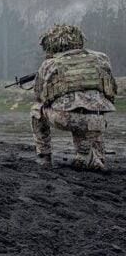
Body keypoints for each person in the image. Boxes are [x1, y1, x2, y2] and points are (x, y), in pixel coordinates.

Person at [31, 24, 117, 171]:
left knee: (36, 109)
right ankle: (92, 156)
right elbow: (111, 90)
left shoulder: (50, 63)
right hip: (97, 119)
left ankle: (44, 157)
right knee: (90, 118)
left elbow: (39, 95)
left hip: (67, 118)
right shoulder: (102, 58)